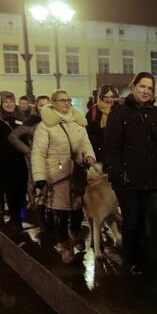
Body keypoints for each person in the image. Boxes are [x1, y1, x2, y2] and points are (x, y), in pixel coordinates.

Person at [103, 72, 157, 277]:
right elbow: (111, 146)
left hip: (155, 178)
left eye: (150, 88)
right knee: (132, 221)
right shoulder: (119, 112)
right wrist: (118, 174)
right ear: (133, 86)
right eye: (142, 86)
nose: (146, 91)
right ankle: (134, 261)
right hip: (129, 179)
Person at [32, 90, 95, 263]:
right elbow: (38, 153)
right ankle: (64, 246)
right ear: (53, 103)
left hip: (76, 174)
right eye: (62, 101)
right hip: (56, 176)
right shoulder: (45, 126)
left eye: (68, 101)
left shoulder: (78, 122)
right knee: (60, 213)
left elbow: (86, 144)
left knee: (76, 210)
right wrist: (40, 177)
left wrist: (89, 156)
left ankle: (74, 234)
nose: (67, 104)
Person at [0, 91, 28, 232]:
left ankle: (18, 215)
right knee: (11, 192)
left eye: (11, 101)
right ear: (1, 104)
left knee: (21, 190)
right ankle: (16, 219)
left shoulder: (22, 117)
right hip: (5, 162)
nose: (9, 104)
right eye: (6, 102)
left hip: (22, 160)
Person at [9, 95, 50, 208]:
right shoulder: (31, 121)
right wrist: (27, 150)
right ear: (37, 107)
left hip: (52, 157)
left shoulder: (55, 119)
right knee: (35, 180)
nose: (44, 107)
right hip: (36, 157)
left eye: (47, 104)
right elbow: (13, 136)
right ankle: (36, 205)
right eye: (41, 105)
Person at [86, 84, 119, 161]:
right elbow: (87, 132)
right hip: (98, 153)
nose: (109, 100)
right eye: (106, 97)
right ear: (101, 97)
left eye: (111, 97)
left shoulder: (119, 110)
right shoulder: (93, 110)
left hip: (115, 154)